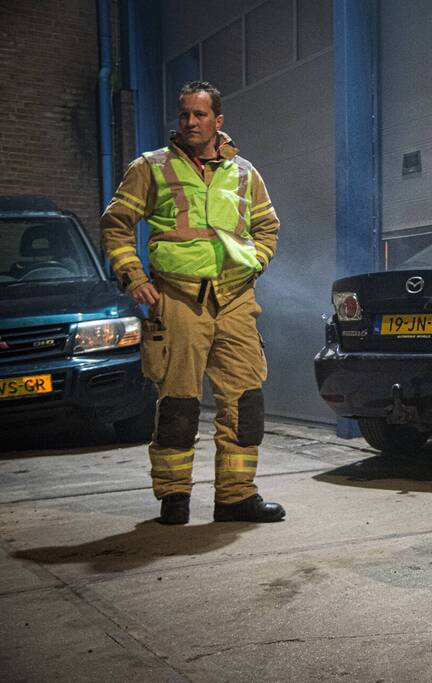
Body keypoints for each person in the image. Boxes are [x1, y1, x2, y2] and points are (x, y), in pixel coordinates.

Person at [100, 81, 284, 525]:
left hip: (236, 301)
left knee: (244, 403)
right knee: (179, 404)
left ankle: (236, 497)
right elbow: (116, 225)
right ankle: (174, 496)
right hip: (178, 299)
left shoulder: (244, 172)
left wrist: (257, 262)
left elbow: (267, 227)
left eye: (199, 115)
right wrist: (134, 277)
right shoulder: (151, 167)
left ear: (218, 121)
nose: (190, 122)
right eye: (184, 115)